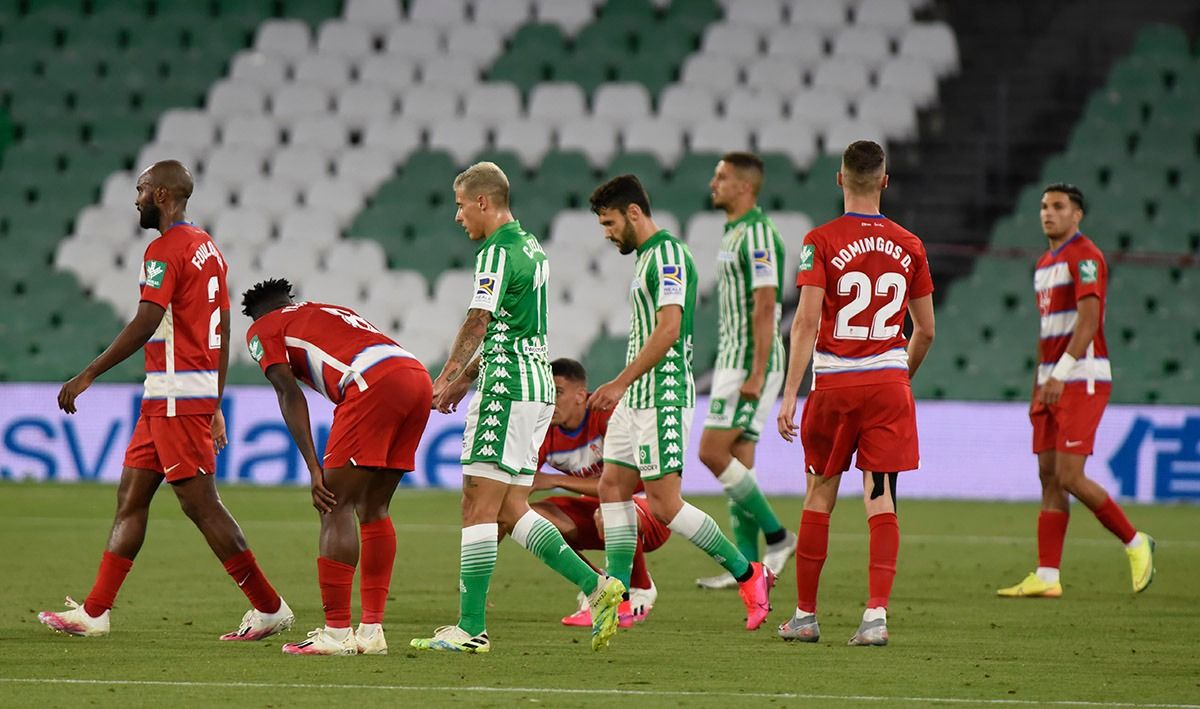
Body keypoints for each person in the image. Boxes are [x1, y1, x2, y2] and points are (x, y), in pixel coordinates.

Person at [38, 160, 292, 641]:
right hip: (169, 396)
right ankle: (95, 612)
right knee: (130, 498)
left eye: (140, 190)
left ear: (159, 194)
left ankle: (269, 606)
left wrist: (88, 372)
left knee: (202, 506)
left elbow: (146, 321)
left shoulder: (164, 249)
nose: (135, 199)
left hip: (177, 396)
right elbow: (223, 330)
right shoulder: (209, 250)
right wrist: (215, 403)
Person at [411, 162, 624, 654]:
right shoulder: (531, 247)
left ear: (483, 202)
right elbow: (509, 324)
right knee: (511, 506)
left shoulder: (497, 252)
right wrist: (467, 378)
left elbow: (479, 320)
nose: (458, 215)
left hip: (506, 389)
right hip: (532, 385)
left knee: (477, 504)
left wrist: (446, 375)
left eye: (462, 205)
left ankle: (470, 629)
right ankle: (598, 587)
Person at [588, 174, 774, 639]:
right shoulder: (646, 258)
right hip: (638, 396)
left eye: (610, 223)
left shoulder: (668, 254)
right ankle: (619, 597)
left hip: (663, 393)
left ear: (634, 213)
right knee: (611, 486)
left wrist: (618, 381)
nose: (607, 233)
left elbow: (670, 331)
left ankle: (748, 574)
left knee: (665, 506)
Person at [776, 141, 935, 646]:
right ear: (885, 182)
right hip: (889, 382)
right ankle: (875, 618)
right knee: (881, 496)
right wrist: (898, 376)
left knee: (820, 492)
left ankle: (805, 617)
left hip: (835, 384)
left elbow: (804, 320)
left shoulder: (820, 240)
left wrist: (788, 395)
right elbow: (926, 330)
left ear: (839, 179)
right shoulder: (910, 243)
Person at [241, 279, 432, 655]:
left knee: (333, 503)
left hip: (370, 383)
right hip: (415, 376)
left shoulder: (262, 328)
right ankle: (371, 631)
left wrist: (314, 467)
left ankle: (336, 633)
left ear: (258, 313)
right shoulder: (332, 310)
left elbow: (287, 392)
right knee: (374, 508)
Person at [996, 183, 1154, 599]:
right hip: (1051, 380)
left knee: (1069, 475)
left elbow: (1088, 322)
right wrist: (1040, 381)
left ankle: (1136, 542)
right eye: (1044, 206)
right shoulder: (1045, 262)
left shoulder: (1086, 256)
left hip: (1081, 378)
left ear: (1077, 214)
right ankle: (1048, 576)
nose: (1048, 213)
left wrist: (1060, 374)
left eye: (1058, 207)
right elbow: (1048, 330)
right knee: (1048, 475)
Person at [696, 151, 797, 590]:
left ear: (744, 186)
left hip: (748, 362)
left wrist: (756, 372)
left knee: (711, 452)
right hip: (735, 359)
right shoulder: (733, 231)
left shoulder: (757, 234)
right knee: (739, 462)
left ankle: (778, 535)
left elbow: (766, 303)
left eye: (721, 177)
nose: (713, 183)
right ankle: (747, 571)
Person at [530, 358, 669, 627]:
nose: (550, 401)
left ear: (581, 395)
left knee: (609, 509)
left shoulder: (606, 415)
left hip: (648, 510)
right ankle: (597, 584)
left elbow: (625, 484)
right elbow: (516, 496)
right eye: (547, 393)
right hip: (598, 512)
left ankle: (641, 586)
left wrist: (556, 480)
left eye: (557, 392)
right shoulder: (545, 430)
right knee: (534, 520)